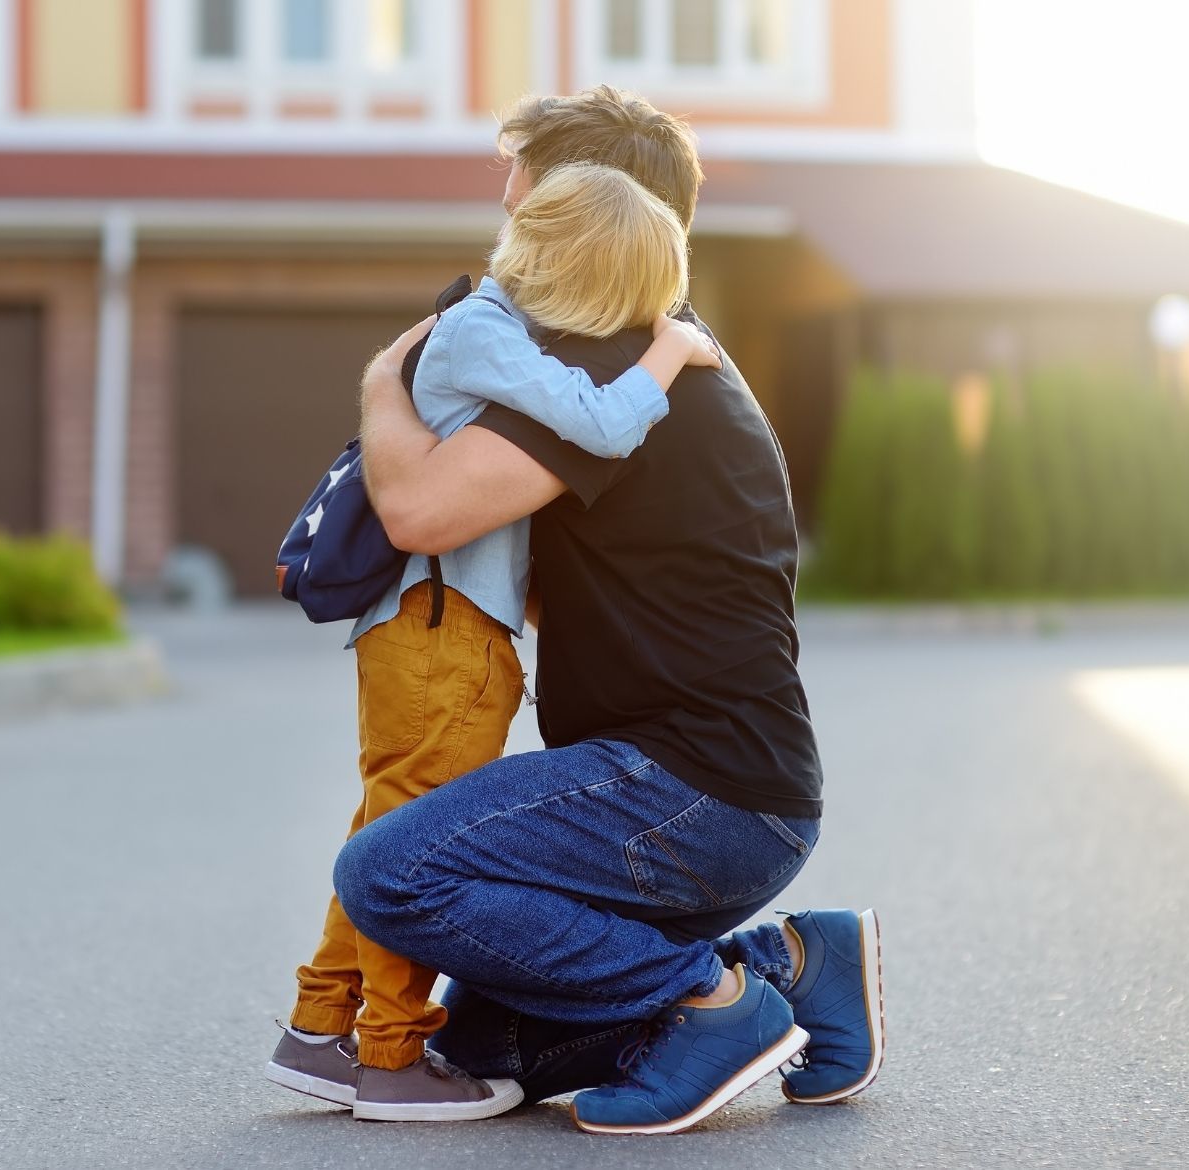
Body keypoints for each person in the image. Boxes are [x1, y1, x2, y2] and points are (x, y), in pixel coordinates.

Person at [334, 86, 884, 1135]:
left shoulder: (604, 362)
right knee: (489, 1048)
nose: (505, 203)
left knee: (391, 874)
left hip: (690, 795)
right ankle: (797, 964)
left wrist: (383, 376)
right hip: (715, 798)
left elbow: (417, 508)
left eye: (522, 181)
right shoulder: (649, 353)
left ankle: (710, 1002)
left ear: (585, 202)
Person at [266, 159, 723, 1123]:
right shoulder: (485, 330)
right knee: (411, 849)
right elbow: (602, 423)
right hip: (442, 632)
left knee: (387, 827)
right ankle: (388, 1052)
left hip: (440, 629)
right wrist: (670, 354)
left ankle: (319, 1028)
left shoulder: (483, 330)